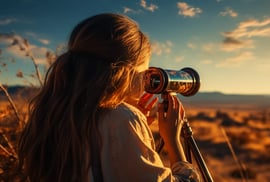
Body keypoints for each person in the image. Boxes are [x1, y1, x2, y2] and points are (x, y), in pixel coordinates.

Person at [17, 13, 200, 182]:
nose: (146, 81)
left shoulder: (55, 113)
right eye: (144, 72)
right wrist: (172, 140)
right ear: (125, 73)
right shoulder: (122, 119)